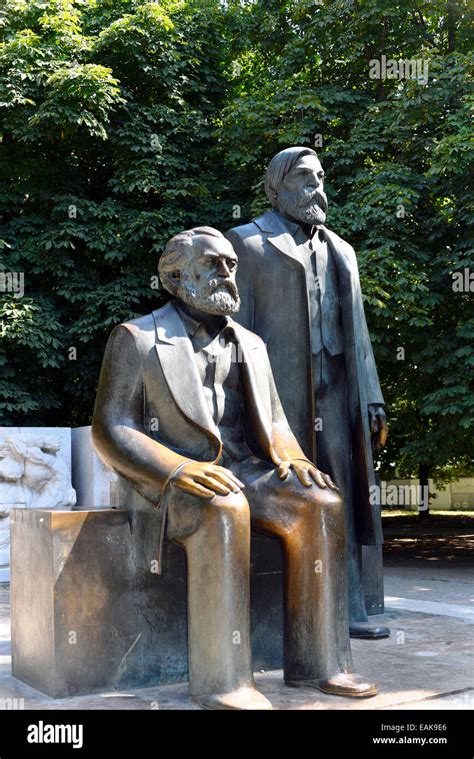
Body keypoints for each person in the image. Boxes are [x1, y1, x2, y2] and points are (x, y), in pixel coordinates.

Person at [92, 226, 378, 709]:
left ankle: (321, 664)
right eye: (213, 264)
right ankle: (222, 680)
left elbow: (277, 424)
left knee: (320, 504)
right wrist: (177, 470)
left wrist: (297, 460)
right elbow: (112, 429)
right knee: (224, 508)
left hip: (246, 470)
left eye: (231, 264)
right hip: (168, 480)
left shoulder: (251, 343)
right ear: (175, 277)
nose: (228, 272)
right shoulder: (137, 339)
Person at [227, 147, 390, 638]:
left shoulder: (342, 250)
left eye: (320, 177)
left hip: (338, 391)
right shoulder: (247, 243)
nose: (317, 186)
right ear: (276, 186)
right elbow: (233, 331)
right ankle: (285, 615)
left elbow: (358, 332)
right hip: (277, 397)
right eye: (303, 178)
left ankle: (348, 608)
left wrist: (374, 397)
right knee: (291, 493)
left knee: (342, 491)